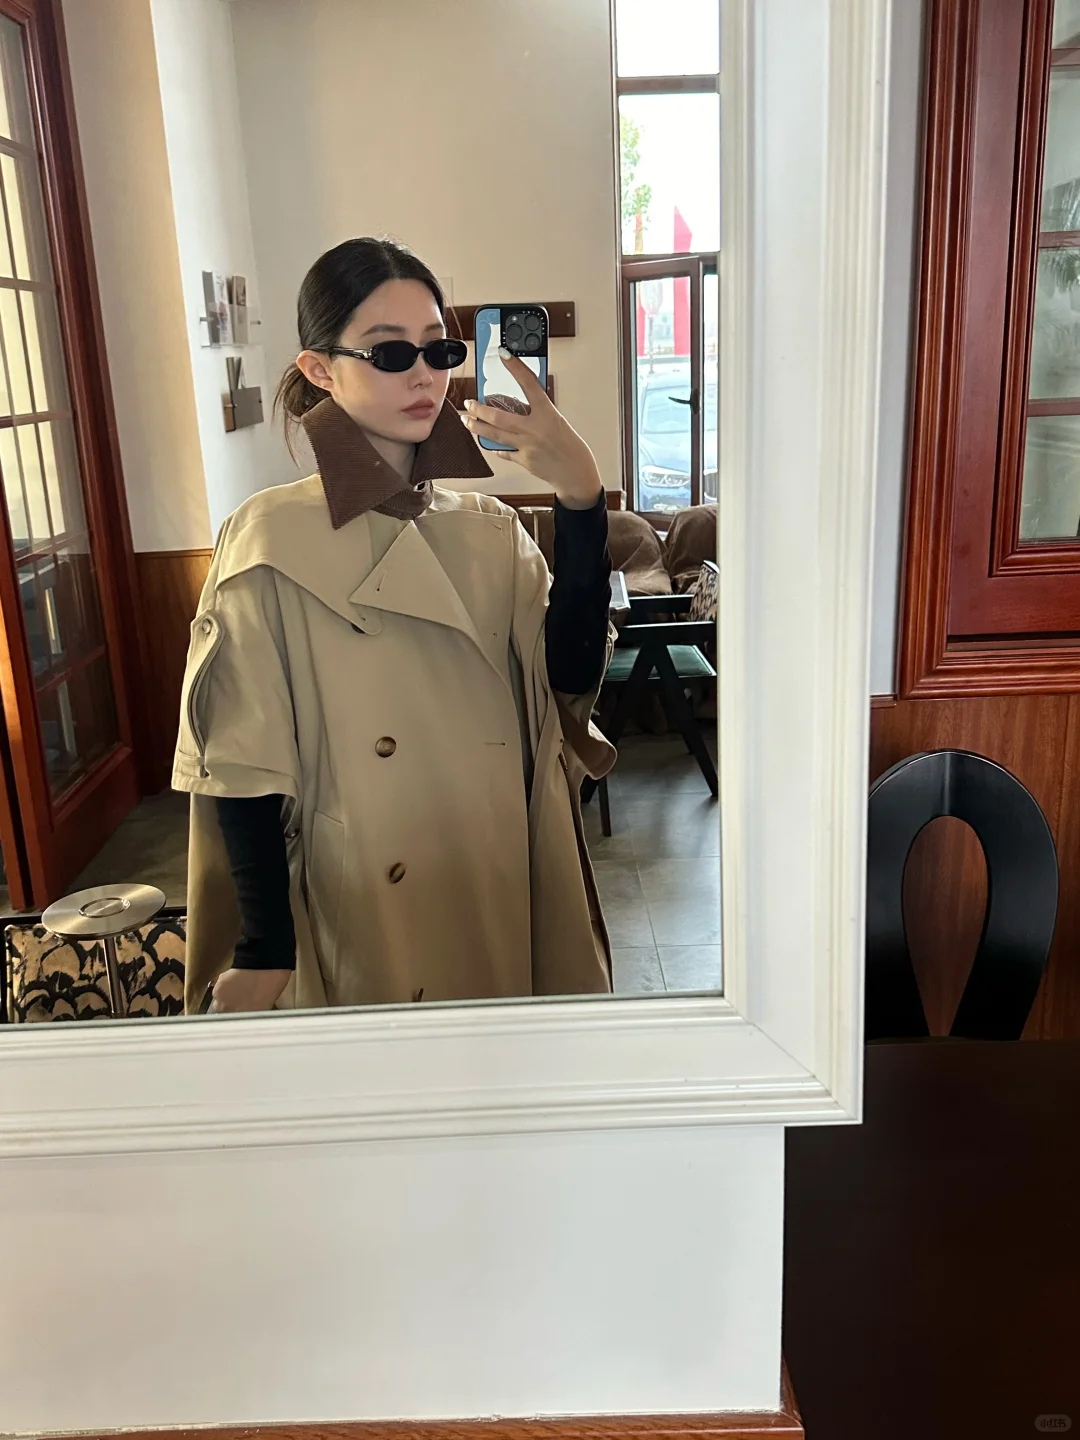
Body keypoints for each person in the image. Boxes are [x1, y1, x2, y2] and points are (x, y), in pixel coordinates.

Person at [173, 237, 616, 1014]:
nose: (423, 374)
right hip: (362, 907)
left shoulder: (490, 532)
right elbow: (243, 766)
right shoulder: (267, 540)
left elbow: (568, 687)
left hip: (495, 881)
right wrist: (264, 949)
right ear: (319, 368)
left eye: (438, 349)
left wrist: (581, 501)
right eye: (388, 353)